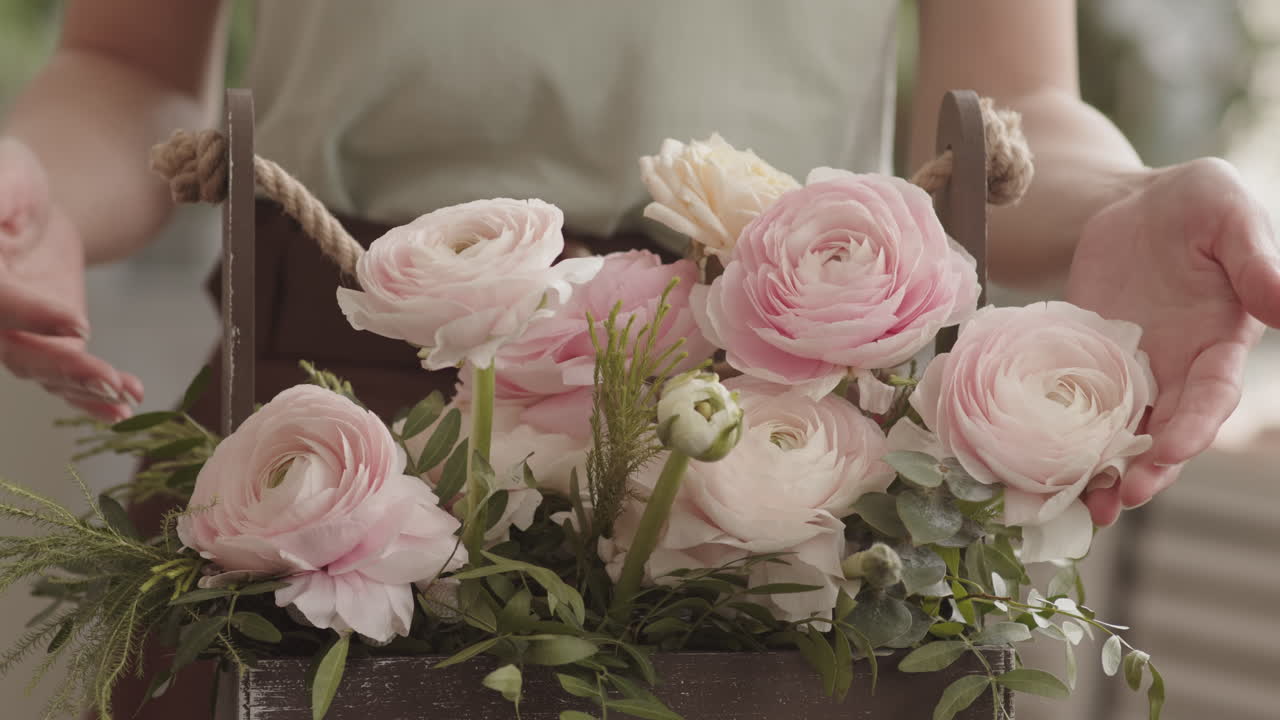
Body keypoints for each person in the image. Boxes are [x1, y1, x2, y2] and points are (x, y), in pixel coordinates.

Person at [0, 1, 1277, 716]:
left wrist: (1125, 198)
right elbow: (125, 65)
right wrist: (35, 192)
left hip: (762, 469)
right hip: (327, 443)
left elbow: (1014, 110)